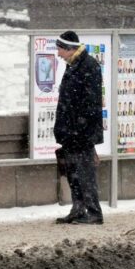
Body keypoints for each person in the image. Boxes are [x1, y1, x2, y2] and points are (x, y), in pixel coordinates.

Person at [53, 30, 104, 225]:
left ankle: (93, 212)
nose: (58, 53)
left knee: (85, 173)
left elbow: (91, 103)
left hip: (81, 133)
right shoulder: (74, 65)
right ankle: (78, 209)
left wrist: (81, 130)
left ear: (68, 49)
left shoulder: (88, 65)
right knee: (73, 172)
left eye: (59, 49)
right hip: (71, 132)